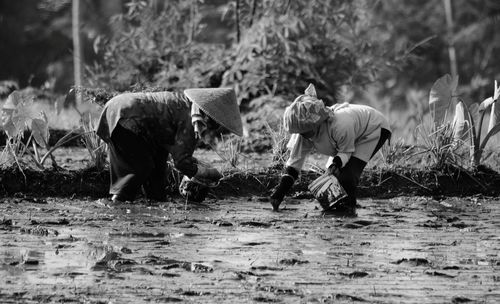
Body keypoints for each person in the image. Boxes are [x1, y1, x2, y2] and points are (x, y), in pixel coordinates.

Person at [96, 88, 243, 203]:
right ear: (208, 116)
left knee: (158, 165)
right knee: (140, 168)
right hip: (127, 117)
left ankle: (156, 200)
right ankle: (117, 205)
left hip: (122, 109)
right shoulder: (189, 120)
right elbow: (181, 162)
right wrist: (208, 173)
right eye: (215, 124)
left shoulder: (184, 104)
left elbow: (169, 149)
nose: (212, 129)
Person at [270, 84, 391, 216]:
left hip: (373, 128)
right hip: (349, 136)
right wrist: (280, 192)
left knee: (347, 176)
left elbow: (346, 151)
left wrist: (336, 164)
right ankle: (336, 208)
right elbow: (294, 164)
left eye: (306, 131)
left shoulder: (339, 124)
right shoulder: (303, 132)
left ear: (317, 123)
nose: (304, 135)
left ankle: (349, 211)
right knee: (330, 179)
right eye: (300, 132)